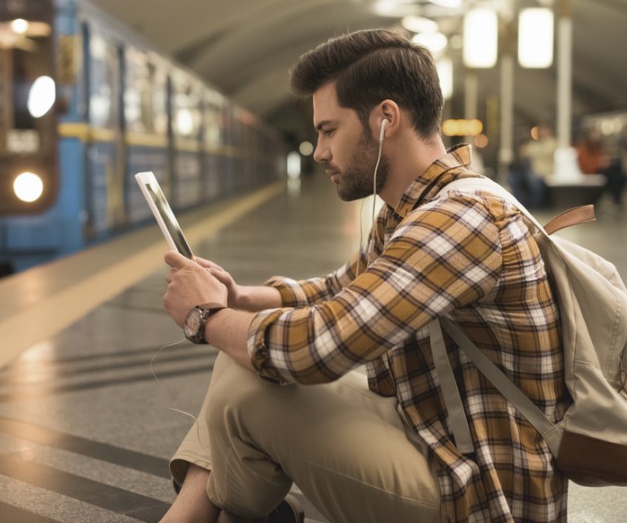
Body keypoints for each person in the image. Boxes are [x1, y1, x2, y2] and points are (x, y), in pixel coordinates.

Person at [159, 29, 569, 523]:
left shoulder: (461, 219)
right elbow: (341, 288)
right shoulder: (416, 205)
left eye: (329, 130)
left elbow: (319, 348)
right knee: (242, 349)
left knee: (248, 382)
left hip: (477, 493)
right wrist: (239, 297)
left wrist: (205, 317)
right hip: (432, 434)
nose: (318, 151)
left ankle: (219, 514)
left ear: (385, 119)